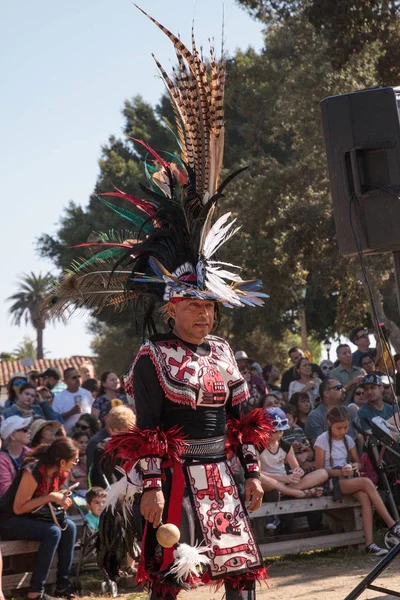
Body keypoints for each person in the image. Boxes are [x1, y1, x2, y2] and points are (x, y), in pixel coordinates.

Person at [46, 9, 271, 599]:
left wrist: (253, 474)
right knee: (171, 580)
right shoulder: (152, 358)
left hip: (223, 476)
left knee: (241, 575)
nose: (206, 314)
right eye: (194, 306)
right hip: (172, 480)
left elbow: (244, 419)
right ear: (171, 308)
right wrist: (148, 487)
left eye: (211, 306)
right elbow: (146, 429)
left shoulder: (224, 352)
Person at [314, 405, 400, 555]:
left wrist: (354, 466)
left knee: (365, 497)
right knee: (366, 482)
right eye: (339, 428)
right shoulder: (322, 441)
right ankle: (392, 524)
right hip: (332, 481)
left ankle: (369, 544)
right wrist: (339, 471)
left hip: (348, 478)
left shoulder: (348, 440)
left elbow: (360, 464)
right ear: (329, 423)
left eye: (346, 428)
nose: (343, 431)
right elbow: (319, 471)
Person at [0, 438, 78, 600]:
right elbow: (18, 508)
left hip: (31, 517)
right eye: (73, 461)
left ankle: (63, 585)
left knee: (70, 527)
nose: (74, 465)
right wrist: (50, 497)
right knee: (53, 532)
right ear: (62, 461)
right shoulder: (34, 470)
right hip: (9, 520)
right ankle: (35, 592)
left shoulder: (57, 472)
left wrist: (60, 500)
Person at [259, 407, 327, 501]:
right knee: (259, 477)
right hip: (268, 484)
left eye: (281, 431)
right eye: (275, 431)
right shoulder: (256, 446)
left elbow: (296, 468)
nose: (279, 434)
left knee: (323, 473)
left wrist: (299, 472)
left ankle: (283, 493)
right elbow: (257, 473)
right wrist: (283, 478)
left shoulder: (286, 446)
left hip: (286, 483)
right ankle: (299, 493)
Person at [90, 406, 136, 489]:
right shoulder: (102, 449)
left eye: (129, 433)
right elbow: (103, 480)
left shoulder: (139, 447)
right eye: (120, 433)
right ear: (110, 430)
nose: (125, 438)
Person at [305, 379, 359, 444]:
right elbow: (319, 445)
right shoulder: (315, 417)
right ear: (326, 393)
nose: (344, 390)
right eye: (339, 388)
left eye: (343, 387)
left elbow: (357, 438)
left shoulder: (351, 412)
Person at [52, 368, 94, 434]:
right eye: (74, 377)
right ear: (65, 381)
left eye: (79, 376)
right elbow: (55, 420)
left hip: (87, 435)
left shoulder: (87, 394)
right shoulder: (59, 398)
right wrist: (71, 412)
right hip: (69, 435)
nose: (77, 379)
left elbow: (93, 414)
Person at [0, 416, 32, 496]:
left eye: (28, 428)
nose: (29, 431)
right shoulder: (1, 460)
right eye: (24, 429)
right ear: (12, 436)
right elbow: (6, 491)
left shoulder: (31, 453)